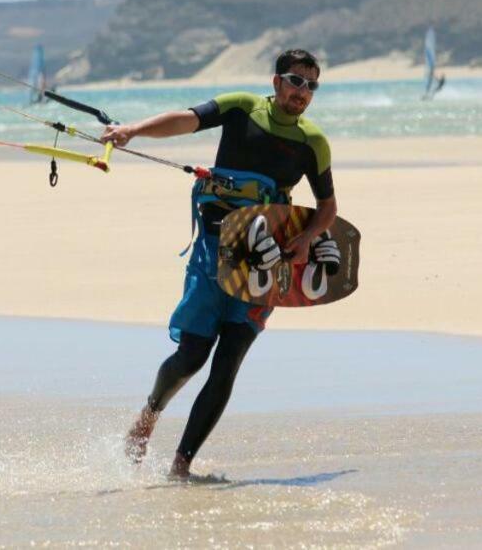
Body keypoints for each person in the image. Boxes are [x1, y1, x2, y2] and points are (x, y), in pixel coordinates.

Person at [101, 49, 338, 480]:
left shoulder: (313, 143)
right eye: (295, 80)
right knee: (192, 355)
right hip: (214, 250)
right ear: (276, 82)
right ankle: (149, 414)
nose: (303, 92)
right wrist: (133, 130)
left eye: (311, 85)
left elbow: (328, 208)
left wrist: (305, 241)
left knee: (227, 362)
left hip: (264, 264)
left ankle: (181, 465)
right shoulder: (241, 109)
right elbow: (185, 119)